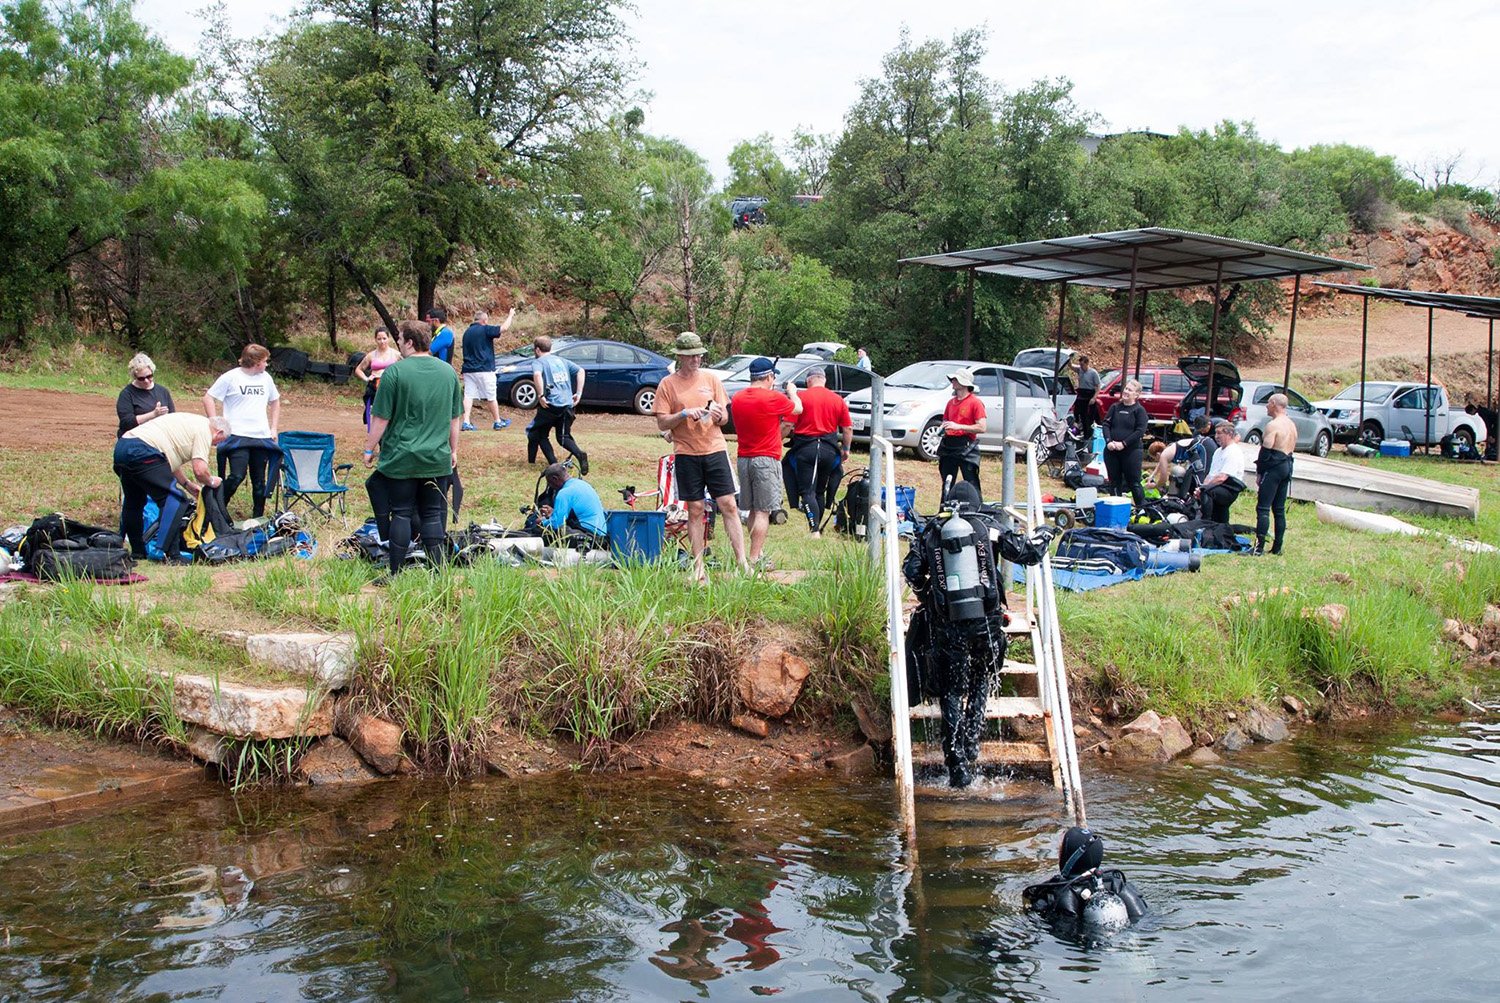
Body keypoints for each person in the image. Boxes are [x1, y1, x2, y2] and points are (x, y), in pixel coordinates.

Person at [903, 480, 1051, 787]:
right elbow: (1029, 554)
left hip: (947, 625)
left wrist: (926, 593)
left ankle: (955, 763)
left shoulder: (932, 531)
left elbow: (913, 570)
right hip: (987, 622)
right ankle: (971, 741)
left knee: (951, 690)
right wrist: (1046, 534)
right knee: (983, 675)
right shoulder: (990, 527)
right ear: (978, 503)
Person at [363, 320, 462, 575]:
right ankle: (438, 573)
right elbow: (455, 419)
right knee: (431, 515)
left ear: (409, 342)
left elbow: (380, 418)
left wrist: (369, 448)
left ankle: (395, 573)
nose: (397, 342)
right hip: (436, 458)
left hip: (401, 458)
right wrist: (453, 451)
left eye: (399, 338)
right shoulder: (448, 372)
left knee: (402, 513)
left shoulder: (394, 373)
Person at [654, 331, 750, 582]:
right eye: (691, 356)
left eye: (699, 355)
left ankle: (742, 562)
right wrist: (684, 414)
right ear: (680, 357)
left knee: (728, 503)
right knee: (695, 509)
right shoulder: (668, 384)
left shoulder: (711, 379)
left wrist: (718, 415)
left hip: (715, 448)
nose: (697, 359)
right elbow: (662, 422)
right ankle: (698, 567)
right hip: (686, 452)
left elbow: (726, 418)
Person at [113, 412, 229, 557]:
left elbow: (166, 462)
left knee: (134, 501)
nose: (215, 445)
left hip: (123, 447)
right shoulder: (205, 430)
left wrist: (186, 484)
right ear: (219, 432)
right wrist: (212, 481)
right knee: (175, 500)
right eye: (218, 441)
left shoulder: (190, 421)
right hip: (142, 450)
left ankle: (137, 551)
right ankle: (171, 554)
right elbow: (200, 470)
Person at [730, 357, 801, 568]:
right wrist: (793, 391)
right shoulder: (772, 398)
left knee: (752, 510)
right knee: (763, 511)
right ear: (769, 377)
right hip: (766, 459)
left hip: (744, 457)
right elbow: (797, 409)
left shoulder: (738, 398)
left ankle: (756, 553)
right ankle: (753, 559)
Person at [204, 344, 281, 519]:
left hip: (260, 436)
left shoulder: (266, 378)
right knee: (237, 475)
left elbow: (275, 401)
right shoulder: (230, 377)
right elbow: (208, 397)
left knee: (259, 481)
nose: (266, 365)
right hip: (237, 435)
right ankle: (217, 510)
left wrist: (273, 427)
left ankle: (258, 517)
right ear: (255, 362)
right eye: (264, 361)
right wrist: (215, 422)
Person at [1023, 826, 1148, 932]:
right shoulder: (1115, 882)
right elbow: (1142, 915)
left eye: (1060, 851)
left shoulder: (1057, 893)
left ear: (1068, 856)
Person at [784, 367, 852, 537]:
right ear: (824, 380)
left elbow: (788, 424)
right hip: (829, 449)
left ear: (808, 381)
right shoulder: (837, 399)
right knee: (820, 491)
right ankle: (816, 527)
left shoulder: (800, 397)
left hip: (806, 448)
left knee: (807, 492)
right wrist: (846, 449)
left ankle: (814, 530)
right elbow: (848, 428)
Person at [525, 334, 589, 474]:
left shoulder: (539, 362)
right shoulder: (561, 360)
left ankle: (554, 464)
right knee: (563, 437)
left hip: (551, 404)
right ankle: (579, 454)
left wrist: (541, 395)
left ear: (536, 350)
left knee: (539, 434)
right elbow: (581, 371)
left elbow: (536, 375)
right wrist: (578, 393)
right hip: (567, 404)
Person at [459, 307, 516, 431]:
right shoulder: (485, 329)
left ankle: (466, 422)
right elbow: (503, 328)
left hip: (469, 369)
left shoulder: (467, 332)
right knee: (491, 396)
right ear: (484, 320)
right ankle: (497, 421)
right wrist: (510, 315)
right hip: (484, 369)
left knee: (468, 395)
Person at [1253, 393, 1297, 555]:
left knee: (1263, 508)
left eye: (1268, 403)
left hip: (1274, 466)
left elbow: (1265, 452)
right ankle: (1277, 547)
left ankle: (1258, 548)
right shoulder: (1291, 424)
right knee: (1279, 509)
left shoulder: (1273, 425)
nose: (1266, 406)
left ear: (1273, 404)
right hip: (1287, 465)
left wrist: (1260, 472)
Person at [938, 368, 987, 498]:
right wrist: (943, 428)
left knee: (971, 481)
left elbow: (982, 427)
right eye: (953, 379)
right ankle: (944, 511)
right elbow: (946, 421)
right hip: (948, 445)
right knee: (947, 482)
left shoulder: (975, 402)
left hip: (966, 445)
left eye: (955, 379)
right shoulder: (950, 402)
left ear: (964, 383)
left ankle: (976, 511)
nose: (952, 382)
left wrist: (958, 426)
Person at [1102, 378, 1148, 510]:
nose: (1126, 391)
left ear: (1136, 395)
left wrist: (1124, 443)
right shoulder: (1115, 407)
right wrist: (1109, 441)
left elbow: (1140, 431)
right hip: (1112, 450)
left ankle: (1142, 509)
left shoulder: (1139, 411)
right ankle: (1115, 509)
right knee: (1114, 481)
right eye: (1126, 389)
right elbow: (1106, 424)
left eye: (1130, 390)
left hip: (1131, 452)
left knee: (1134, 482)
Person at [539, 462, 608, 549]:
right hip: (601, 535)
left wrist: (542, 521)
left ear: (555, 478)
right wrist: (554, 513)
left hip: (588, 535)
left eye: (550, 483)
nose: (551, 487)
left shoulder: (565, 492)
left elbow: (557, 524)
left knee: (557, 530)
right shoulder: (582, 484)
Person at [116, 352, 175, 438]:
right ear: (135, 377)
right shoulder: (127, 394)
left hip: (159, 439)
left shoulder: (163, 391)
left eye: (149, 376)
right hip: (135, 439)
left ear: (152, 371)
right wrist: (153, 414)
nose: (146, 380)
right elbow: (126, 423)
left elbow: (172, 418)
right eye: (141, 378)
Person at [353, 327, 401, 430]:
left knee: (391, 410)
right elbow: (358, 369)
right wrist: (366, 378)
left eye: (384, 338)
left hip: (391, 385)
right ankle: (374, 434)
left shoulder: (396, 354)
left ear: (388, 338)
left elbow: (406, 368)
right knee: (374, 412)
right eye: (379, 339)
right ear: (375, 339)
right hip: (374, 385)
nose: (382, 341)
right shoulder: (371, 355)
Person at [1198, 421, 1246, 524]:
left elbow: (1222, 478)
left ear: (1229, 434)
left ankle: (1205, 522)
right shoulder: (1218, 451)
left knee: (1207, 492)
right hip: (1217, 486)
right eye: (1215, 433)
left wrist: (1204, 489)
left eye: (1219, 433)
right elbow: (1210, 475)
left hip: (1230, 488)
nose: (1216, 436)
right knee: (1219, 518)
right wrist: (1201, 487)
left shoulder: (1233, 451)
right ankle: (1220, 526)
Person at [1072, 354, 1100, 443]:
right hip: (1081, 394)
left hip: (1089, 394)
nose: (1081, 367)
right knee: (1077, 412)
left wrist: (1094, 398)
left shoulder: (1093, 373)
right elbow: (1071, 366)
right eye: (1080, 365)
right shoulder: (1079, 370)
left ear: (1087, 363)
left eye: (1083, 365)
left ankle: (1088, 435)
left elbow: (1098, 386)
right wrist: (1069, 358)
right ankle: (1078, 430)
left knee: (1087, 417)